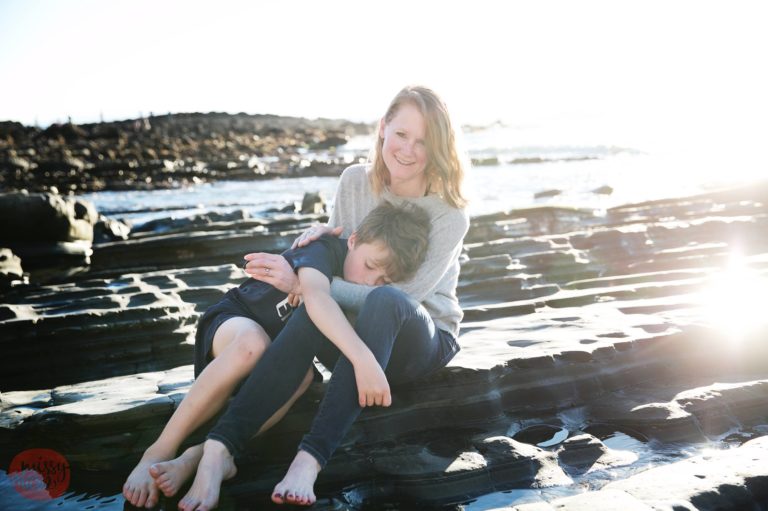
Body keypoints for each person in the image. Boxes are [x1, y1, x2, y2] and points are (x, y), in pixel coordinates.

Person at [227, 84, 471, 507]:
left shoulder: (449, 212)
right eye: (401, 134)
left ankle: (308, 462)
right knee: (311, 313)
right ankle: (219, 448)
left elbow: (404, 297)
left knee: (381, 301)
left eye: (423, 142)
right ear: (382, 129)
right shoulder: (355, 181)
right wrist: (314, 265)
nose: (408, 150)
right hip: (355, 336)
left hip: (419, 340)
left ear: (439, 149)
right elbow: (339, 259)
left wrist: (305, 281)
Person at [122, 200, 431, 509]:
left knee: (303, 378)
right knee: (254, 343)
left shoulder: (356, 286)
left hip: (276, 361)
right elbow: (316, 299)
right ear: (352, 241)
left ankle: (197, 457)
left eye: (381, 282)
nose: (368, 282)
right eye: (370, 266)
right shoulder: (322, 248)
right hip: (234, 323)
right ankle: (159, 451)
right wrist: (364, 360)